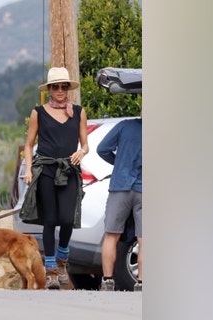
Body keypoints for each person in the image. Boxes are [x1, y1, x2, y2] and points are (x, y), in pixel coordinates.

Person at [21, 67, 88, 290]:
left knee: (68, 219)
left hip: (68, 170)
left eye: (64, 86)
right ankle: (50, 270)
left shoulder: (78, 111)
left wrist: (82, 151)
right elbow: (29, 145)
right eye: (55, 86)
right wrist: (29, 170)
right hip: (46, 169)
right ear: (49, 89)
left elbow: (85, 143)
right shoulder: (37, 112)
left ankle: (62, 260)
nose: (60, 90)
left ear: (68, 88)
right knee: (49, 220)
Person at [96, 116, 142, 291]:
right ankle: (141, 282)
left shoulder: (125, 126)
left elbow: (102, 149)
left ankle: (107, 281)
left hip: (120, 187)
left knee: (111, 236)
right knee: (144, 239)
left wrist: (119, 163)